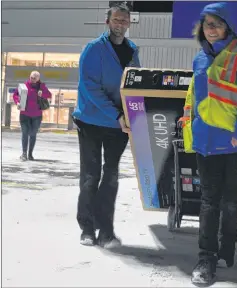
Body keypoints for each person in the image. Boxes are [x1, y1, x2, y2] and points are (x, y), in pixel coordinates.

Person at [180, 2, 237, 286]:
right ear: (201, 28)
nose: (211, 28)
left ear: (228, 25)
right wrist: (189, 126)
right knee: (209, 201)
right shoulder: (199, 58)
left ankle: (226, 248)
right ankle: (206, 259)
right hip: (207, 140)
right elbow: (195, 95)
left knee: (230, 200)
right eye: (207, 24)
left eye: (217, 23)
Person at [72, 3, 140, 248]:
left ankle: (106, 231)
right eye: (116, 20)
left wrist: (131, 116)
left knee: (110, 177)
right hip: (91, 121)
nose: (120, 24)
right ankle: (87, 229)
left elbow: (135, 84)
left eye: (124, 20)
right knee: (91, 176)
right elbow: (90, 88)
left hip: (117, 125)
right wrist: (116, 115)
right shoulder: (93, 49)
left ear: (129, 24)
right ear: (107, 22)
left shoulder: (132, 51)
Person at [13, 71, 52, 161]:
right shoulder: (24, 86)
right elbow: (15, 95)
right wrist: (17, 102)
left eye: (35, 78)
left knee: (33, 134)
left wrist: (42, 94)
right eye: (31, 77)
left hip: (37, 115)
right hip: (24, 114)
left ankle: (30, 154)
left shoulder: (41, 87)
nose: (32, 79)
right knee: (25, 133)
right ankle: (24, 154)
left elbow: (49, 95)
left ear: (38, 78)